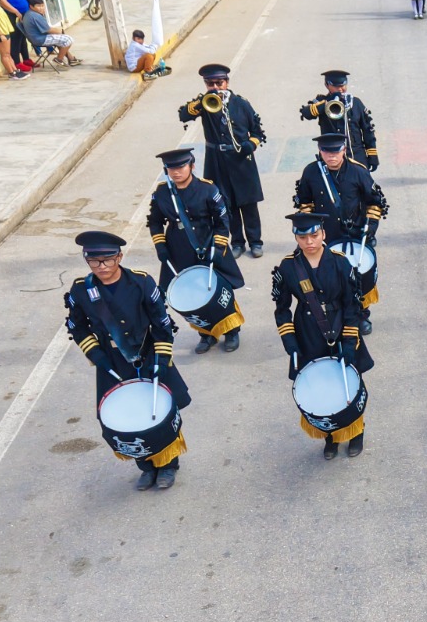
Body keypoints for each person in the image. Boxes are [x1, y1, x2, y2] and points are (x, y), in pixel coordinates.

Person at [64, 231, 191, 490]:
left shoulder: (141, 283)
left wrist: (161, 357)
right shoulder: (80, 289)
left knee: (159, 408)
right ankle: (145, 465)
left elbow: (162, 323)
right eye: (94, 261)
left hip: (147, 354)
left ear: (119, 257)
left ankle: (168, 463)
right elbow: (77, 327)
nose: (102, 267)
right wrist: (96, 355)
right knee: (127, 415)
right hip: (112, 361)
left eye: (108, 260)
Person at [271, 213, 373, 460]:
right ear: (295, 237)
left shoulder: (340, 262)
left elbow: (352, 305)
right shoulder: (287, 267)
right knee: (319, 387)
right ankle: (330, 436)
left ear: (324, 234)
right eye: (303, 236)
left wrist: (350, 342)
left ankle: (355, 431)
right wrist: (291, 343)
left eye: (314, 235)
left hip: (340, 329)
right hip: (308, 333)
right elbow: (282, 308)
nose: (309, 242)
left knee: (348, 381)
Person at [147, 147, 246, 355]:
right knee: (190, 292)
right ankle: (206, 334)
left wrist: (218, 247)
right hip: (178, 248)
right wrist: (160, 246)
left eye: (181, 166)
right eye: (171, 168)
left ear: (192, 166)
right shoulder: (162, 192)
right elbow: (154, 222)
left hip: (207, 242)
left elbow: (222, 221)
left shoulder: (208, 189)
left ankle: (232, 330)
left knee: (218, 289)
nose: (176, 172)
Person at [291, 132, 387, 332]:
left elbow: (375, 202)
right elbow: (304, 203)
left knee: (358, 276)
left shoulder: (358, 171)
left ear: (344, 150)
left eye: (336, 151)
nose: (331, 156)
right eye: (327, 152)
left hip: (355, 234)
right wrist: (311, 231)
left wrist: (369, 229)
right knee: (328, 278)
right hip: (325, 236)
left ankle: (361, 315)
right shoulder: (311, 172)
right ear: (320, 151)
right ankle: (336, 315)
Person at [177, 63, 266, 257]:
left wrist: (249, 145)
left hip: (241, 160)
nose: (216, 87)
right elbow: (183, 115)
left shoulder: (241, 103)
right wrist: (201, 101)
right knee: (227, 203)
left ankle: (255, 241)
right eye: (210, 84)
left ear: (227, 82)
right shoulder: (205, 103)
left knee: (248, 203)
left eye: (219, 82)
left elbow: (258, 132)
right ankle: (237, 242)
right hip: (217, 160)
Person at [300, 69, 379, 171]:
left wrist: (372, 154)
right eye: (336, 86)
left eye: (343, 85)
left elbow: (367, 129)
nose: (340, 89)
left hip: (356, 155)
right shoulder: (321, 101)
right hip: (331, 157)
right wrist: (328, 102)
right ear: (327, 85)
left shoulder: (356, 103)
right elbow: (307, 113)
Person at [18, 0, 80, 65]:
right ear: (31, 6)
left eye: (42, 5)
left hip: (37, 38)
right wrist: (61, 31)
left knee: (61, 40)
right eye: (38, 6)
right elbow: (48, 30)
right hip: (40, 39)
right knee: (68, 39)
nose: (41, 8)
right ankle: (59, 59)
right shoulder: (35, 16)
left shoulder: (29, 13)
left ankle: (71, 59)